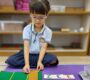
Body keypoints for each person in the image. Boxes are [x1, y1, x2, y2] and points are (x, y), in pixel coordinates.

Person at [5, 0, 59, 73]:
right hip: (26, 54)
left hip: (39, 55)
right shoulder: (27, 29)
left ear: (46, 15)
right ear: (30, 15)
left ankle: (37, 63)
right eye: (34, 17)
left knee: (53, 59)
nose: (37, 20)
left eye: (41, 17)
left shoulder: (48, 31)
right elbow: (26, 47)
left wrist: (39, 62)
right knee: (11, 60)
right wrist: (27, 64)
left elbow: (43, 48)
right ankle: (32, 63)